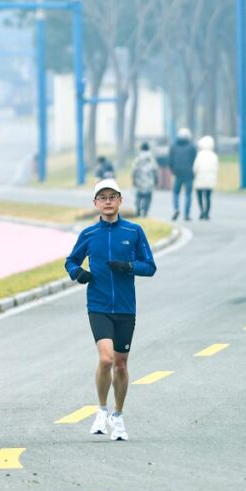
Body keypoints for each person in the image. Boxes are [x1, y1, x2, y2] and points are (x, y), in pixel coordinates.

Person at [64, 179, 157, 441]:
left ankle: (117, 415)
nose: (107, 201)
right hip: (99, 304)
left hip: (126, 308)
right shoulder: (89, 234)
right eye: (102, 197)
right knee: (106, 360)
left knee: (122, 365)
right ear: (95, 203)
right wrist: (77, 273)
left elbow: (149, 266)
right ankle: (101, 410)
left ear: (119, 201)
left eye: (112, 197)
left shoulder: (134, 231)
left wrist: (128, 266)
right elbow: (70, 261)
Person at [168, 128, 197, 221]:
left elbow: (170, 160)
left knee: (176, 192)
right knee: (188, 194)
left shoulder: (174, 146)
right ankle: (186, 214)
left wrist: (173, 170)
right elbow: (194, 160)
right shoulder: (192, 146)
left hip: (177, 172)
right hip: (189, 173)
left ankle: (176, 209)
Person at [193, 135, 219, 220]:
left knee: (199, 196)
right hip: (210, 179)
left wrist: (195, 174)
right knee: (208, 197)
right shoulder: (214, 156)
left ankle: (201, 211)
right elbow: (216, 168)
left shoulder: (199, 155)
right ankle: (207, 213)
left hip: (200, 178)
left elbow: (195, 167)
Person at [130, 142, 158, 218]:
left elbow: (134, 170)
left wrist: (133, 179)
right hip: (149, 182)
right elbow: (155, 170)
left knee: (138, 196)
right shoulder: (151, 159)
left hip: (139, 181)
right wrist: (156, 180)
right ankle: (145, 211)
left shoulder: (138, 159)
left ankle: (138, 209)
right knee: (148, 198)